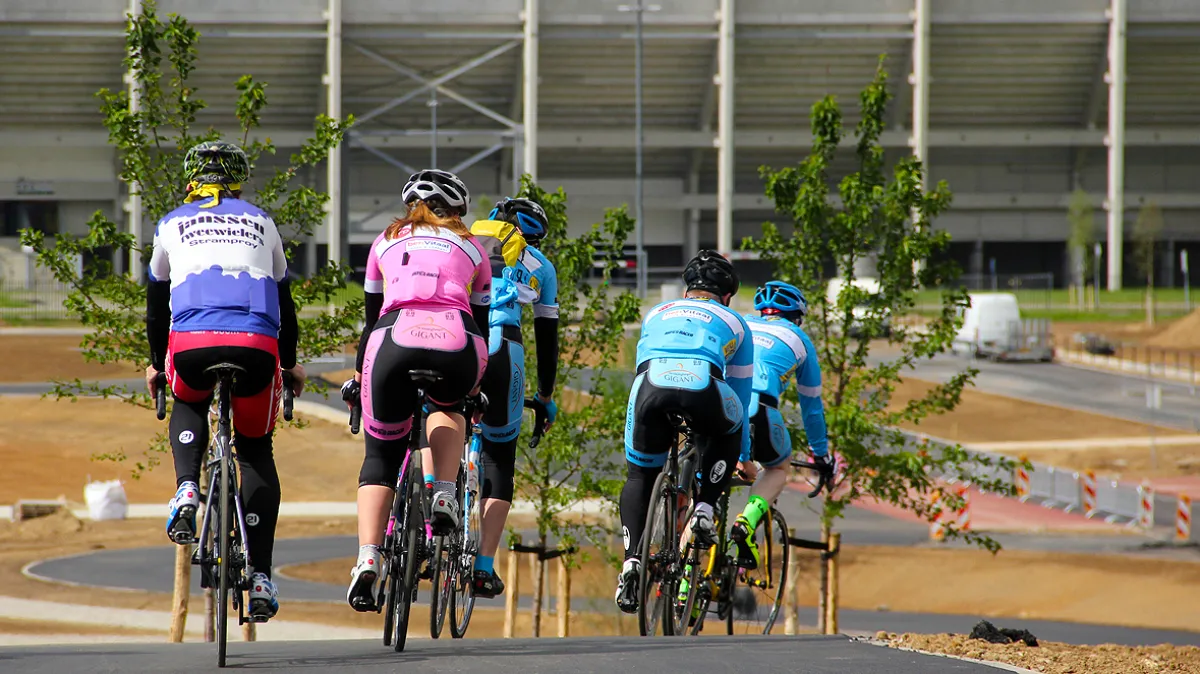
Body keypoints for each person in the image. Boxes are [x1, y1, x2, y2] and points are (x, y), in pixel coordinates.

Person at [147, 140, 305, 621]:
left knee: (187, 396)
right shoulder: (262, 221)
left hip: (193, 342)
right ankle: (259, 576)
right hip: (256, 346)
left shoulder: (171, 222)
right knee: (255, 448)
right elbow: (286, 303)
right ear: (239, 180)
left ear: (191, 179)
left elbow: (156, 306)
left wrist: (157, 362)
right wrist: (291, 363)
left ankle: (187, 488)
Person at [343, 169, 493, 612]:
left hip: (392, 340)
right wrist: (475, 387)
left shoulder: (385, 240)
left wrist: (359, 379)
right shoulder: (472, 246)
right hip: (456, 340)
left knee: (380, 455)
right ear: (459, 211)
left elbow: (371, 321)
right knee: (452, 405)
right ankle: (444, 490)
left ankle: (368, 558)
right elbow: (482, 326)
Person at [614, 250, 754, 614]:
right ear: (727, 296)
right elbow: (740, 394)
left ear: (688, 289)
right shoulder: (736, 322)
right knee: (731, 424)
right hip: (703, 385)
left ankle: (631, 562)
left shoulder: (656, 312)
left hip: (650, 386)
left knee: (640, 475)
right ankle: (704, 509)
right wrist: (744, 457)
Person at [468, 197, 559, 598]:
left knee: (434, 423)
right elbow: (547, 336)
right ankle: (483, 566)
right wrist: (544, 396)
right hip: (505, 347)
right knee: (500, 457)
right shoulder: (540, 265)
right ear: (535, 234)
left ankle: (425, 512)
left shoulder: (460, 239)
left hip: (454, 337)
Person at [731, 281, 835, 569]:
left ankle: (682, 566)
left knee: (704, 488)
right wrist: (821, 456)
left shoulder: (740, 324)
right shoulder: (799, 338)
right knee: (778, 468)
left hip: (720, 403)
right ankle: (746, 523)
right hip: (759, 410)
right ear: (797, 317)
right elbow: (811, 409)